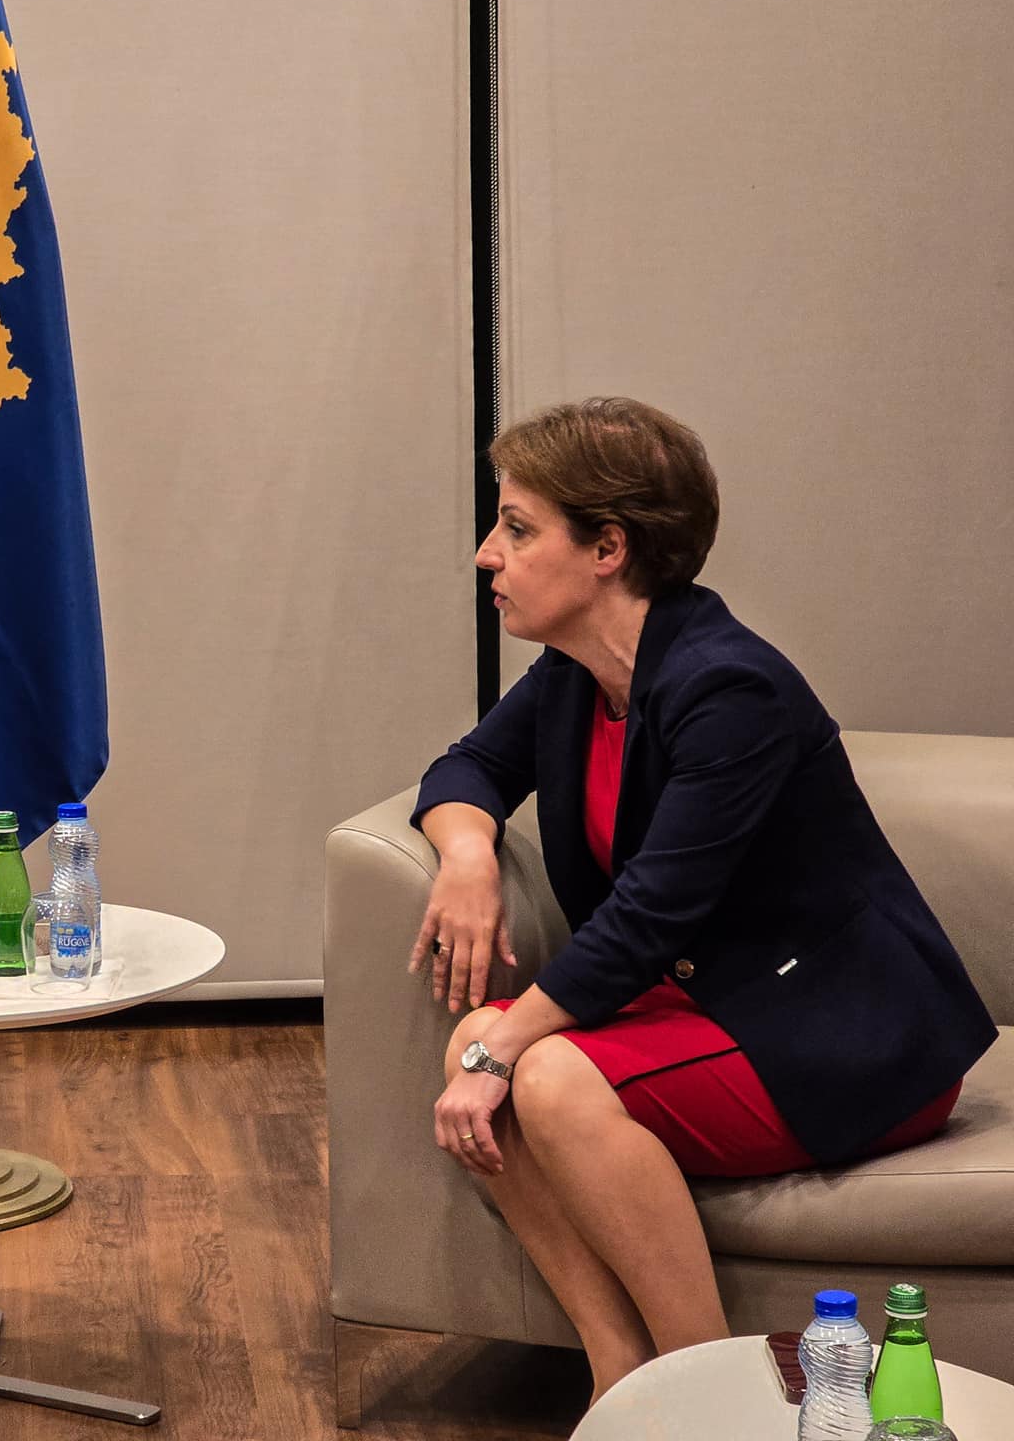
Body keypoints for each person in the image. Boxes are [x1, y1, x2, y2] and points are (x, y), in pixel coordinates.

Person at [407, 397, 994, 1403]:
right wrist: (466, 858)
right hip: (706, 1003)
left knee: (537, 1074)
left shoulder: (730, 690)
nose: (485, 555)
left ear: (608, 549)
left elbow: (651, 914)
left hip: (838, 1028)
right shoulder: (576, 674)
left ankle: (709, 1396)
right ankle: (618, 1375)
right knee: (479, 1042)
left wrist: (504, 1048)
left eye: (516, 529)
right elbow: (466, 769)